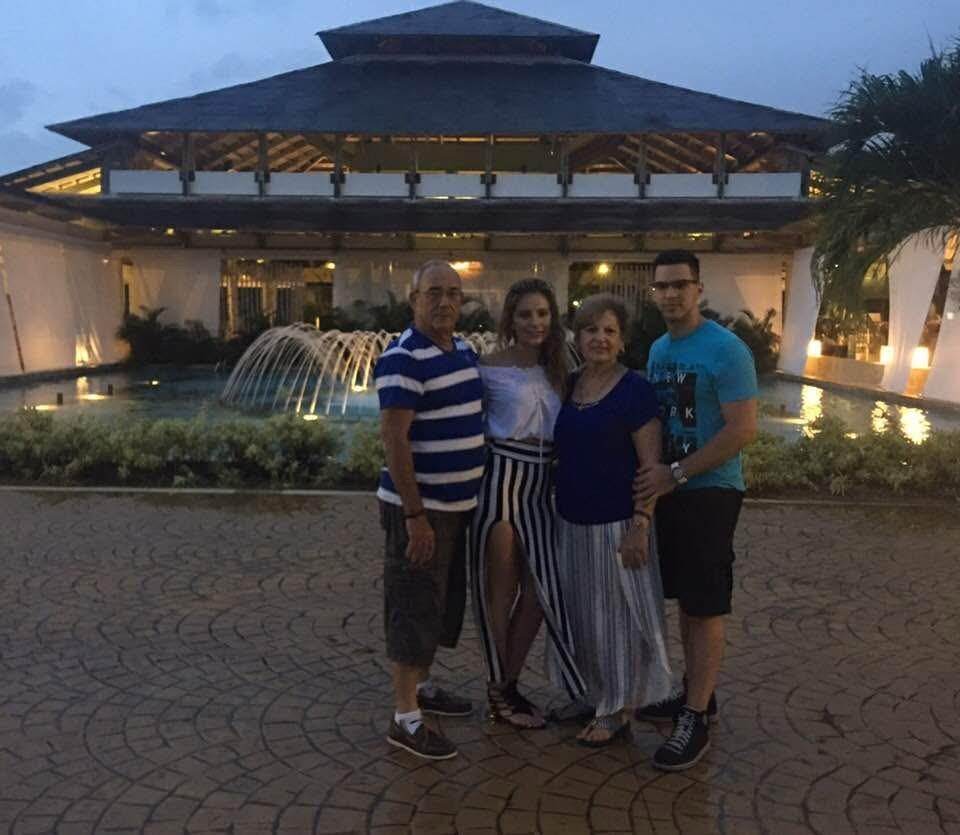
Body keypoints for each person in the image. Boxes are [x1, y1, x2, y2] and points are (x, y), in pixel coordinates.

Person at [635, 249, 758, 771]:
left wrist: (678, 474)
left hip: (710, 491)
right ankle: (695, 694)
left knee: (706, 604)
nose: (670, 294)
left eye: (680, 285)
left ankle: (696, 716)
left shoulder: (726, 350)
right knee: (685, 599)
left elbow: (741, 429)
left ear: (698, 289)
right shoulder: (659, 350)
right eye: (662, 286)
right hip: (671, 492)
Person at [374, 259, 485, 761]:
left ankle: (423, 685)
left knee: (438, 604)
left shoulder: (460, 349)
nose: (444, 302)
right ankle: (405, 716)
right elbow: (394, 438)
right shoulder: (404, 356)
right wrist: (415, 516)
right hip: (420, 510)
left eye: (453, 294)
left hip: (457, 508)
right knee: (413, 601)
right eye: (433, 292)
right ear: (413, 299)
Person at [553, 293, 672, 747]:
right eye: (590, 330)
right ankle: (589, 694)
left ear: (622, 341)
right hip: (571, 521)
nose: (599, 338)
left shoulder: (635, 390)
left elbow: (650, 466)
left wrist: (641, 523)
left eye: (609, 331)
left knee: (616, 621)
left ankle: (617, 708)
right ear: (578, 336)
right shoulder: (570, 384)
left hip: (617, 523)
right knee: (581, 617)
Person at [470, 278, 587, 729]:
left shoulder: (562, 368)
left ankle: (508, 683)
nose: (535, 322)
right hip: (501, 480)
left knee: (538, 593)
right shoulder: (488, 367)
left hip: (543, 487)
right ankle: (500, 693)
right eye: (525, 315)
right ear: (511, 320)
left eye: (542, 314)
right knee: (500, 594)